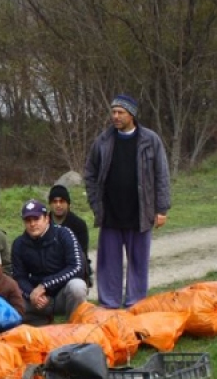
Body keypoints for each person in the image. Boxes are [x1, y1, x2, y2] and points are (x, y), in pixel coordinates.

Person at [84, 94, 171, 308]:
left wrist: (162, 209)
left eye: (120, 112)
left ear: (131, 114)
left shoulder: (150, 140)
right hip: (111, 212)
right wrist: (96, 204)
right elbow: (90, 173)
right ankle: (109, 303)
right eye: (113, 112)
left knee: (138, 262)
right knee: (109, 263)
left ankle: (135, 302)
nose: (115, 116)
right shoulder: (103, 140)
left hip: (140, 212)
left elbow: (162, 174)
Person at [11, 199, 88, 326]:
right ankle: (40, 323)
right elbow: (19, 277)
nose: (32, 224)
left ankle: (75, 328)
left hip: (61, 295)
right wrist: (31, 294)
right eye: (28, 220)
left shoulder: (64, 234)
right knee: (11, 303)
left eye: (36, 219)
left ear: (46, 218)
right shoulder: (19, 243)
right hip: (36, 299)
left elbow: (77, 267)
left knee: (77, 286)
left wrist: (45, 285)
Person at [48, 184, 93, 287]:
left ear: (68, 204)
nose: (58, 205)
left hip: (71, 265)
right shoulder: (42, 222)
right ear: (50, 204)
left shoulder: (79, 224)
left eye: (62, 201)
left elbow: (82, 253)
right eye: (55, 201)